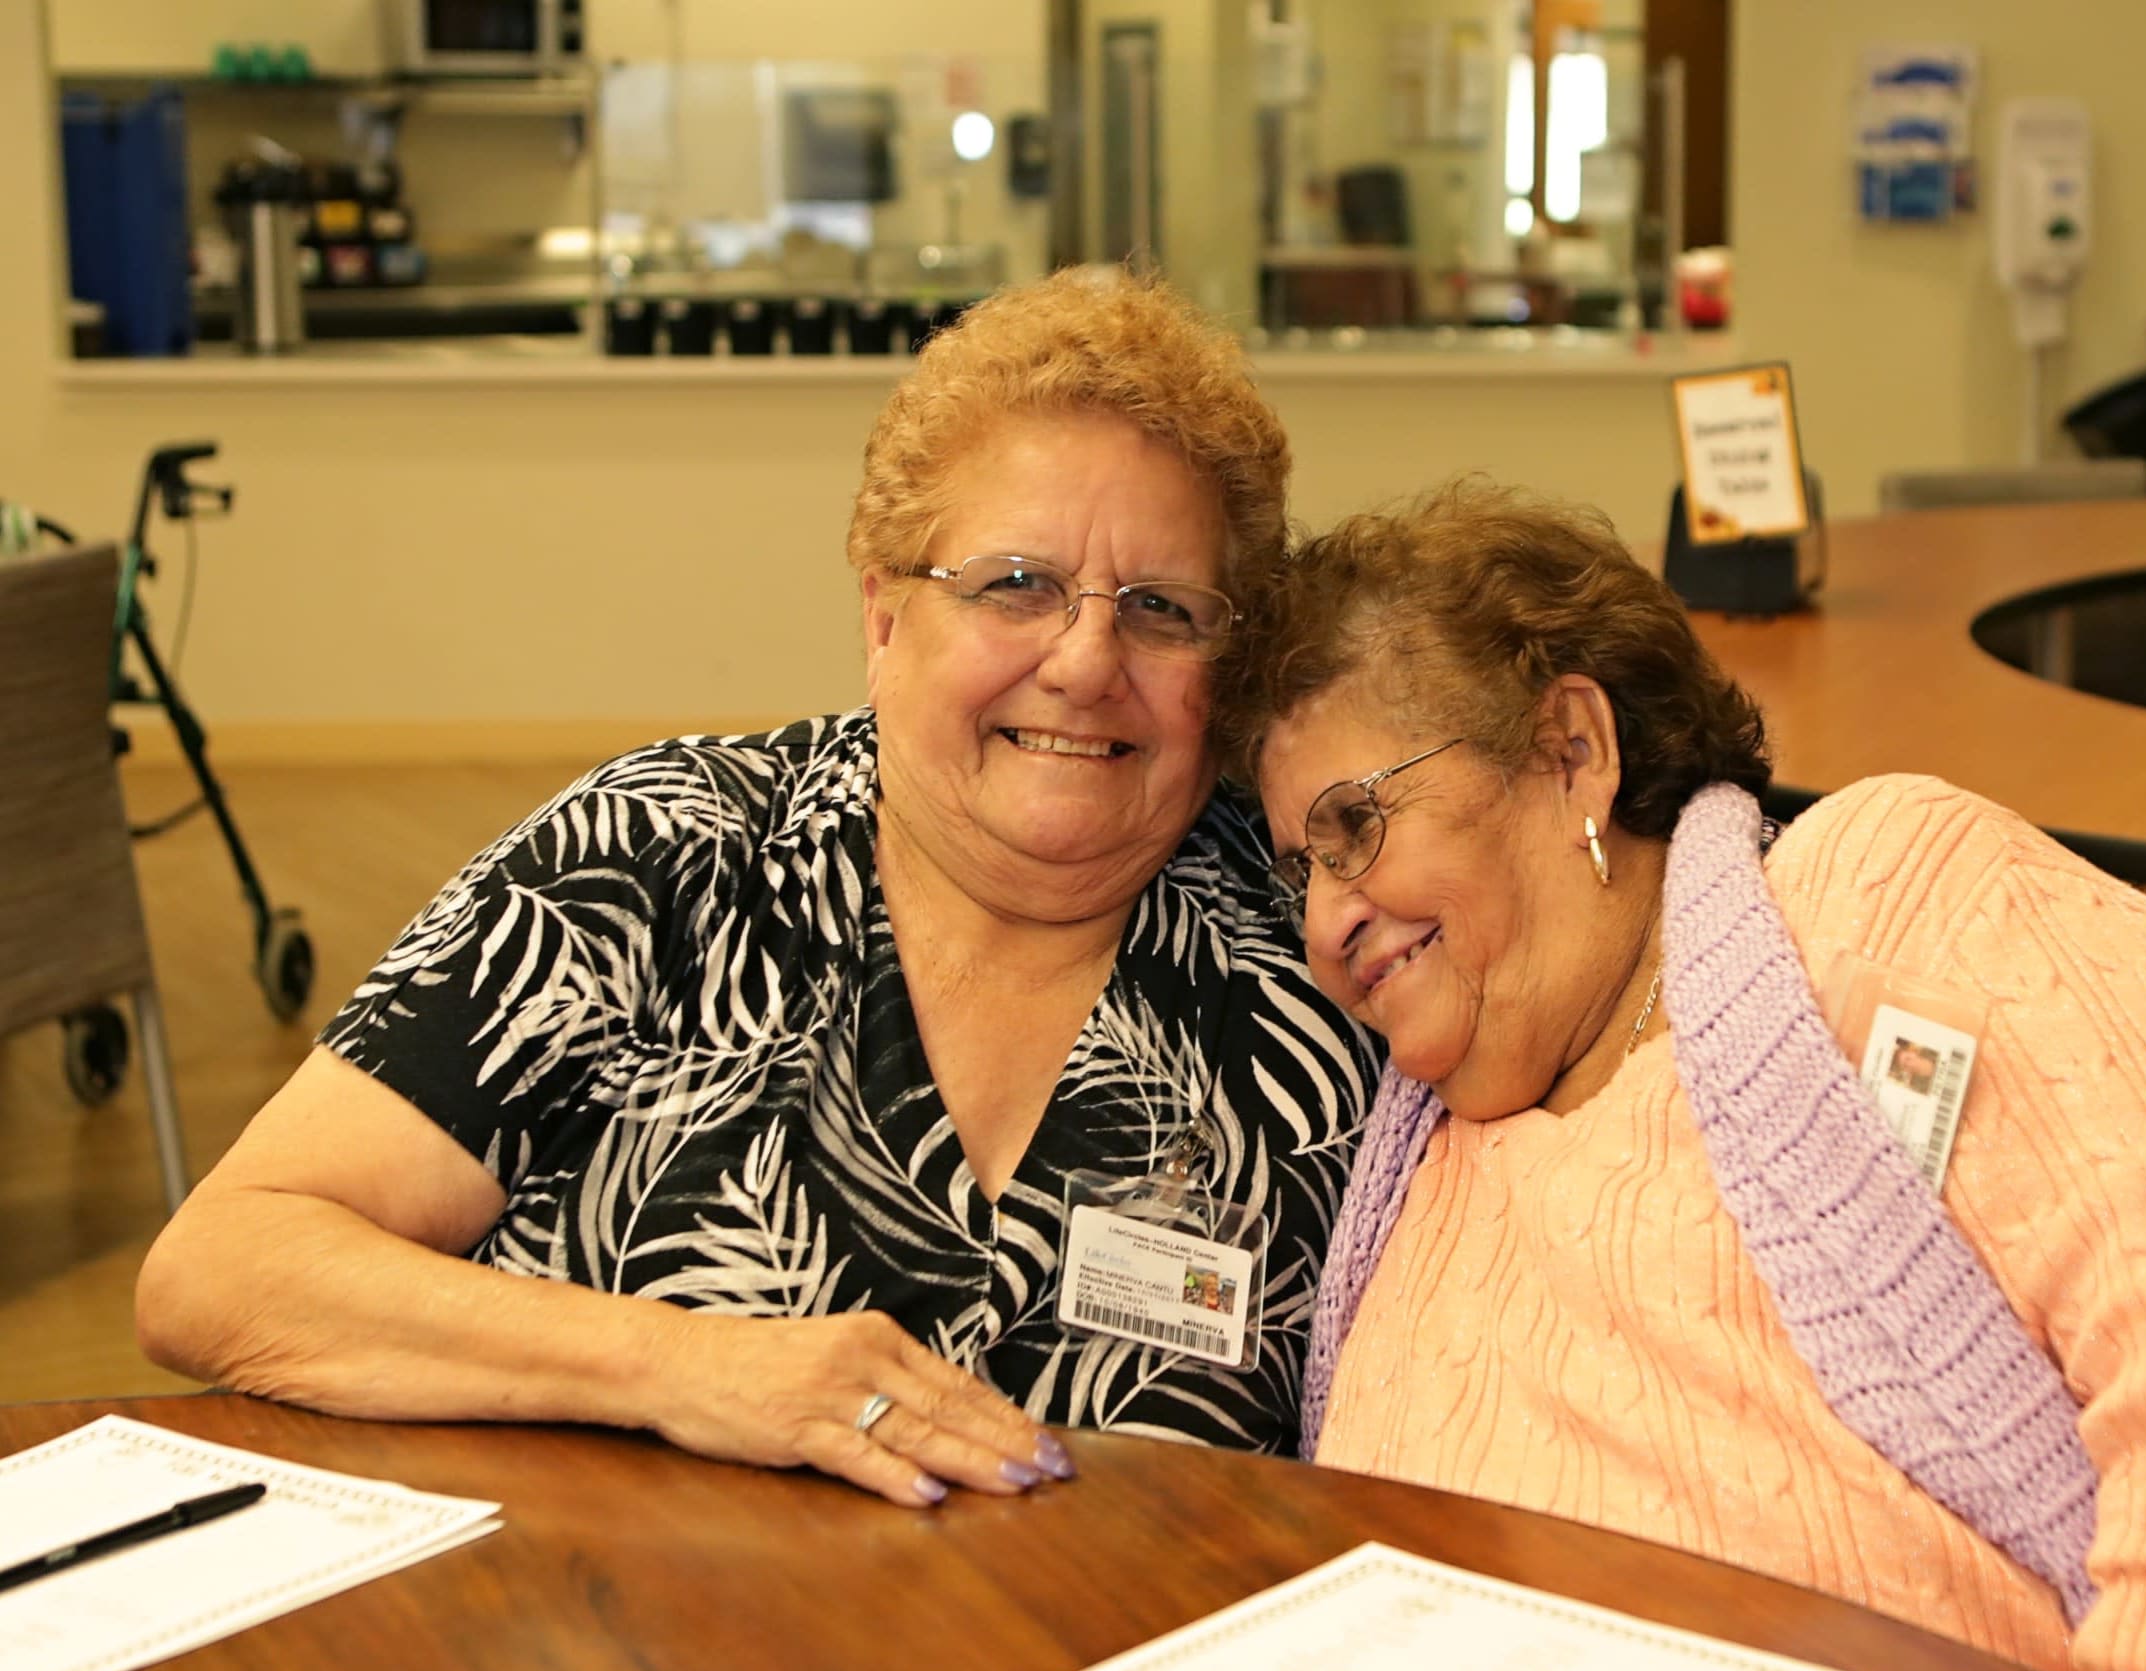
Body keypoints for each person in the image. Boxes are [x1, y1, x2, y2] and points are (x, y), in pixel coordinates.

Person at [1220, 476, 2146, 1671]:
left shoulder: (1876, 902)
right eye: (1295, 871)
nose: (1325, 924)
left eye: (1353, 826)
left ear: (1572, 750)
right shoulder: (1411, 1175)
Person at [136, 270, 1379, 1508]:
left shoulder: (1327, 952)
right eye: (1016, 585)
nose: (1088, 660)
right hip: (611, 1659)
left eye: (1163, 610)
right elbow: (223, 1270)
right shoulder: (657, 859)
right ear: (885, 618)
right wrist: (678, 1364)